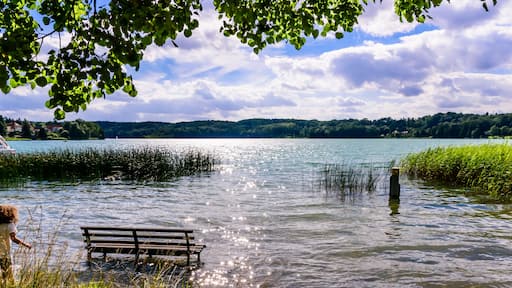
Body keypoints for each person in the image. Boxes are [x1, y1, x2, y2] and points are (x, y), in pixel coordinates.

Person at [0, 204, 31, 283]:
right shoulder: (10, 225)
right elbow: (13, 239)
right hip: (5, 253)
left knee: (3, 274)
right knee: (8, 274)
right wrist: (26, 245)